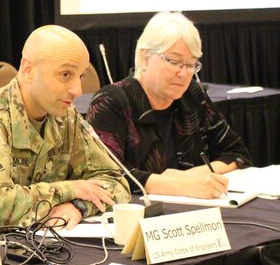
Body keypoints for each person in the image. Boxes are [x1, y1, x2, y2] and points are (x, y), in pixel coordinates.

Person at [0, 25, 131, 230]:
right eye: (66, 74)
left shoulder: (67, 119)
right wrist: (69, 190)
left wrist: (77, 206)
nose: (77, 90)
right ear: (28, 70)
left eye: (81, 77)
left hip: (32, 245)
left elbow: (116, 183)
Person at [86, 12, 252, 199]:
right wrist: (178, 185)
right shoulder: (111, 101)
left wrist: (192, 176)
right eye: (174, 62)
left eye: (191, 65)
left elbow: (237, 153)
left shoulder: (192, 94)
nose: (183, 73)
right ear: (145, 57)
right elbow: (107, 176)